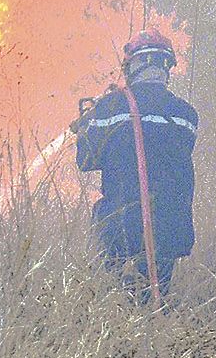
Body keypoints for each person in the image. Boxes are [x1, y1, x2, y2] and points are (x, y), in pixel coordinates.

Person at [74, 30, 198, 302]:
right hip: (169, 227)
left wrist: (86, 126)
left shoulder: (111, 107)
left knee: (113, 300)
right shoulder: (186, 114)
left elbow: (86, 160)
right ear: (166, 66)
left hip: (121, 225)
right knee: (154, 298)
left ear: (135, 64)